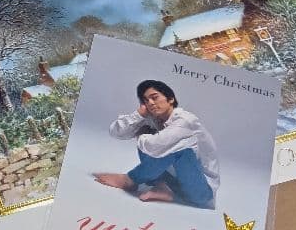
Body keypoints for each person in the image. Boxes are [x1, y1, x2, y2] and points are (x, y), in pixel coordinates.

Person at [93, 80, 219, 209]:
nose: (150, 103)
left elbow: (154, 146)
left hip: (201, 193)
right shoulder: (154, 118)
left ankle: (130, 180)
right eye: (145, 100)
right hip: (175, 183)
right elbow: (116, 132)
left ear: (170, 99)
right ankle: (163, 187)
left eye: (154, 97)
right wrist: (139, 115)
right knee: (151, 135)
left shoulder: (186, 120)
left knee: (178, 149)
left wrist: (141, 134)